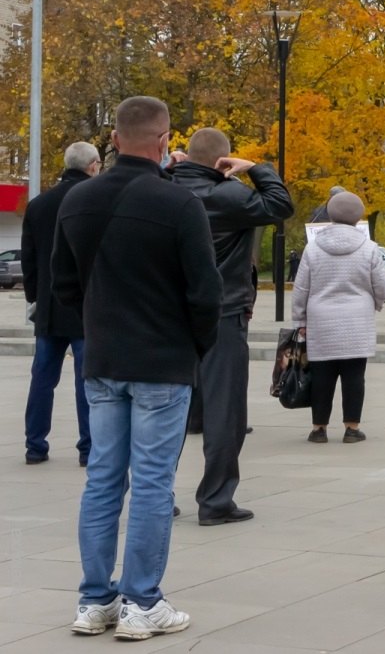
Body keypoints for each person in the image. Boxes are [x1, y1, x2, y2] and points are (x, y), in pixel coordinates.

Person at [53, 96, 221, 640]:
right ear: (162, 140)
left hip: (103, 359)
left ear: (115, 139)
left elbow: (63, 285)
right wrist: (195, 347)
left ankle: (95, 598)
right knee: (151, 483)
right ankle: (143, 600)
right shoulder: (177, 205)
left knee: (102, 478)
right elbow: (205, 291)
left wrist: (97, 327)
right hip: (162, 360)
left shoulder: (76, 202)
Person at [169, 128, 293, 525]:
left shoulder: (163, 190)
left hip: (170, 315)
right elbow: (280, 204)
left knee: (165, 408)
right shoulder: (229, 195)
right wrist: (256, 168)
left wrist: (164, 166)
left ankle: (156, 495)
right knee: (225, 412)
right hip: (223, 312)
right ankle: (216, 500)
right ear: (224, 160)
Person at [21, 141, 101, 466]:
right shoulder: (94, 201)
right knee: (87, 378)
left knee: (42, 376)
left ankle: (35, 445)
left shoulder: (39, 204)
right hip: (85, 306)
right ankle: (88, 447)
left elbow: (28, 258)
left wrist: (35, 297)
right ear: (94, 165)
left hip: (49, 308)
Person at [292, 191, 385, 444]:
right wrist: (377, 303)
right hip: (357, 320)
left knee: (322, 376)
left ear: (330, 214)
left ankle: (319, 428)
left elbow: (301, 287)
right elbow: (381, 283)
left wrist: (300, 320)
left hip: (321, 321)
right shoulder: (369, 249)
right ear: (358, 216)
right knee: (354, 376)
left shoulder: (313, 249)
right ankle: (352, 427)